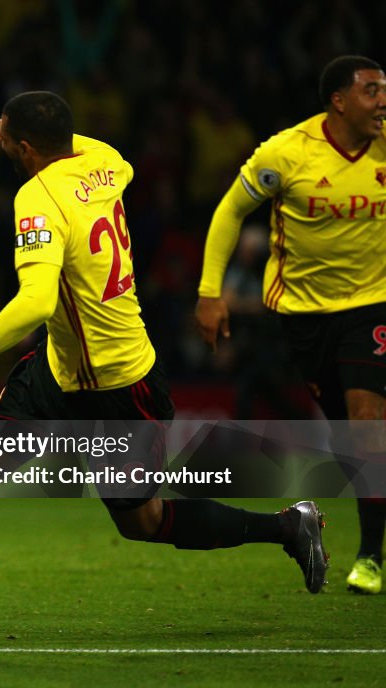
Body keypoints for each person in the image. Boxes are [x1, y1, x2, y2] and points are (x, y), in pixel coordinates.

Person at [0, 92, 327, 645]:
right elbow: (103, 156)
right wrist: (8, 130)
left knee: (144, 522)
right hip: (57, 370)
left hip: (120, 387)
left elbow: (35, 303)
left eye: (13, 143)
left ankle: (288, 526)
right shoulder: (105, 163)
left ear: (24, 148)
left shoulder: (37, 198)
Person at [195, 55, 386, 595]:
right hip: (303, 312)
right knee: (355, 438)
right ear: (339, 101)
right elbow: (230, 211)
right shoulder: (286, 153)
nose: (382, 101)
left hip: (373, 304)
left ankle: (371, 555)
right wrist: (211, 292)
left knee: (368, 425)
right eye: (371, 91)